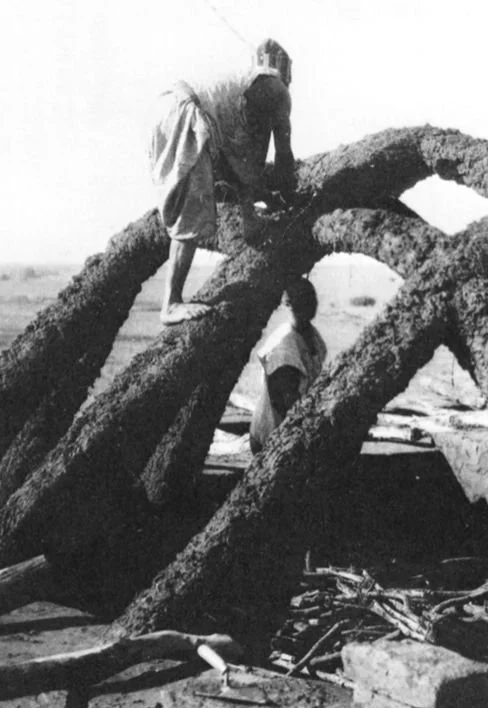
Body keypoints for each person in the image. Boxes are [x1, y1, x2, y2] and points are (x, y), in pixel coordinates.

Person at [149, 39, 297, 325]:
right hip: (186, 114)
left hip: (164, 109)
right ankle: (171, 303)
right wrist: (288, 195)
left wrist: (252, 216)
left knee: (203, 184)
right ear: (285, 71)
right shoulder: (275, 89)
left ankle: (173, 299)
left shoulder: (242, 91)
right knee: (192, 210)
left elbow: (238, 165)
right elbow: (283, 156)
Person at [250, 278, 327, 453]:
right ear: (288, 305)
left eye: (312, 298)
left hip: (295, 419)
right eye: (304, 300)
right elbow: (285, 403)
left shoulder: (312, 335)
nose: (311, 305)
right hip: (271, 433)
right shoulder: (285, 345)